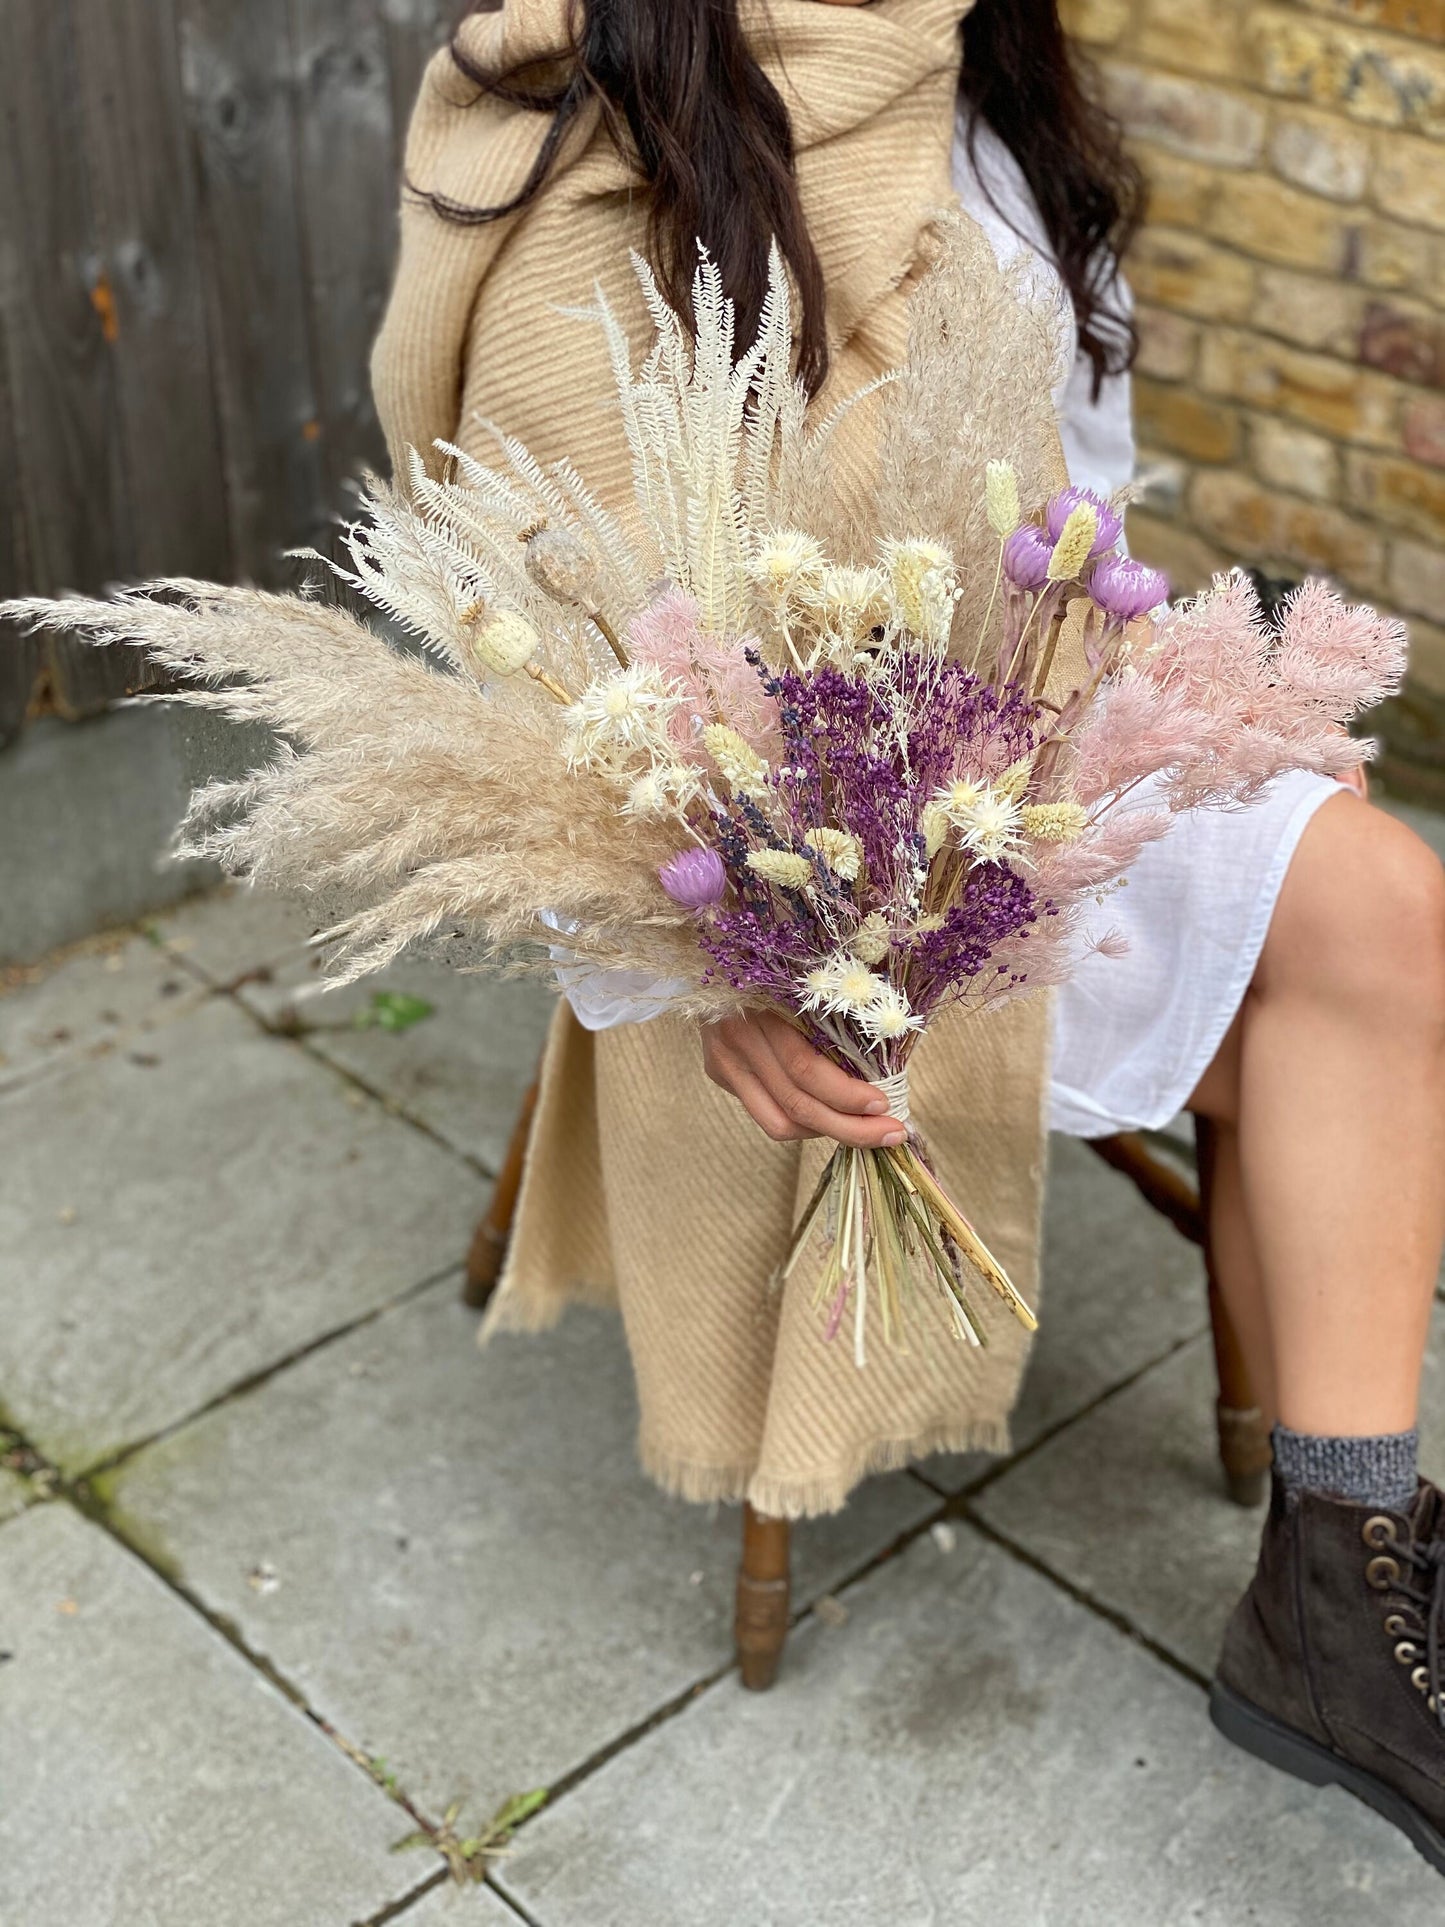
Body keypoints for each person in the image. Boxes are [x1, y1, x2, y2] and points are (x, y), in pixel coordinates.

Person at [373, 0, 1445, 1870]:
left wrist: (1135, 683)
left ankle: (1337, 1572)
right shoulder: (593, 131)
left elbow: (1080, 486)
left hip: (1014, 738)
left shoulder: (983, 69)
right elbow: (533, 654)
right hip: (769, 856)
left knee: (1386, 912)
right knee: (1323, 963)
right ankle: (1339, 1586)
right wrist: (698, 968)